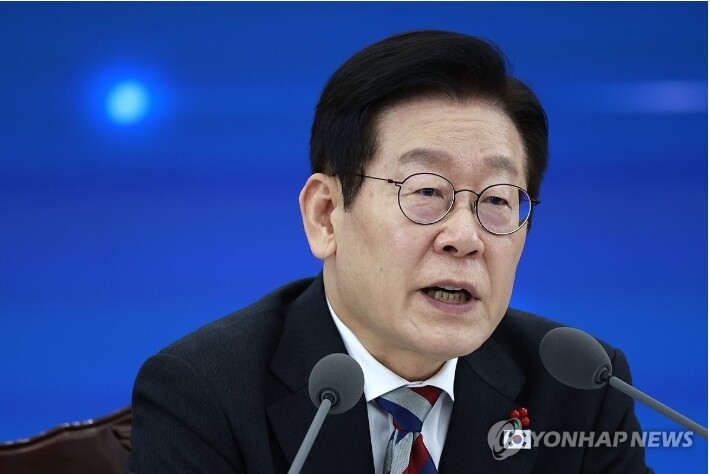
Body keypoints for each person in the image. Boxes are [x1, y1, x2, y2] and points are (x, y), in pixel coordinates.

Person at [126, 30, 651, 473]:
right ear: (326, 215)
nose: (464, 237)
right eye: (426, 192)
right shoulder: (204, 393)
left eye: (496, 200)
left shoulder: (581, 388)